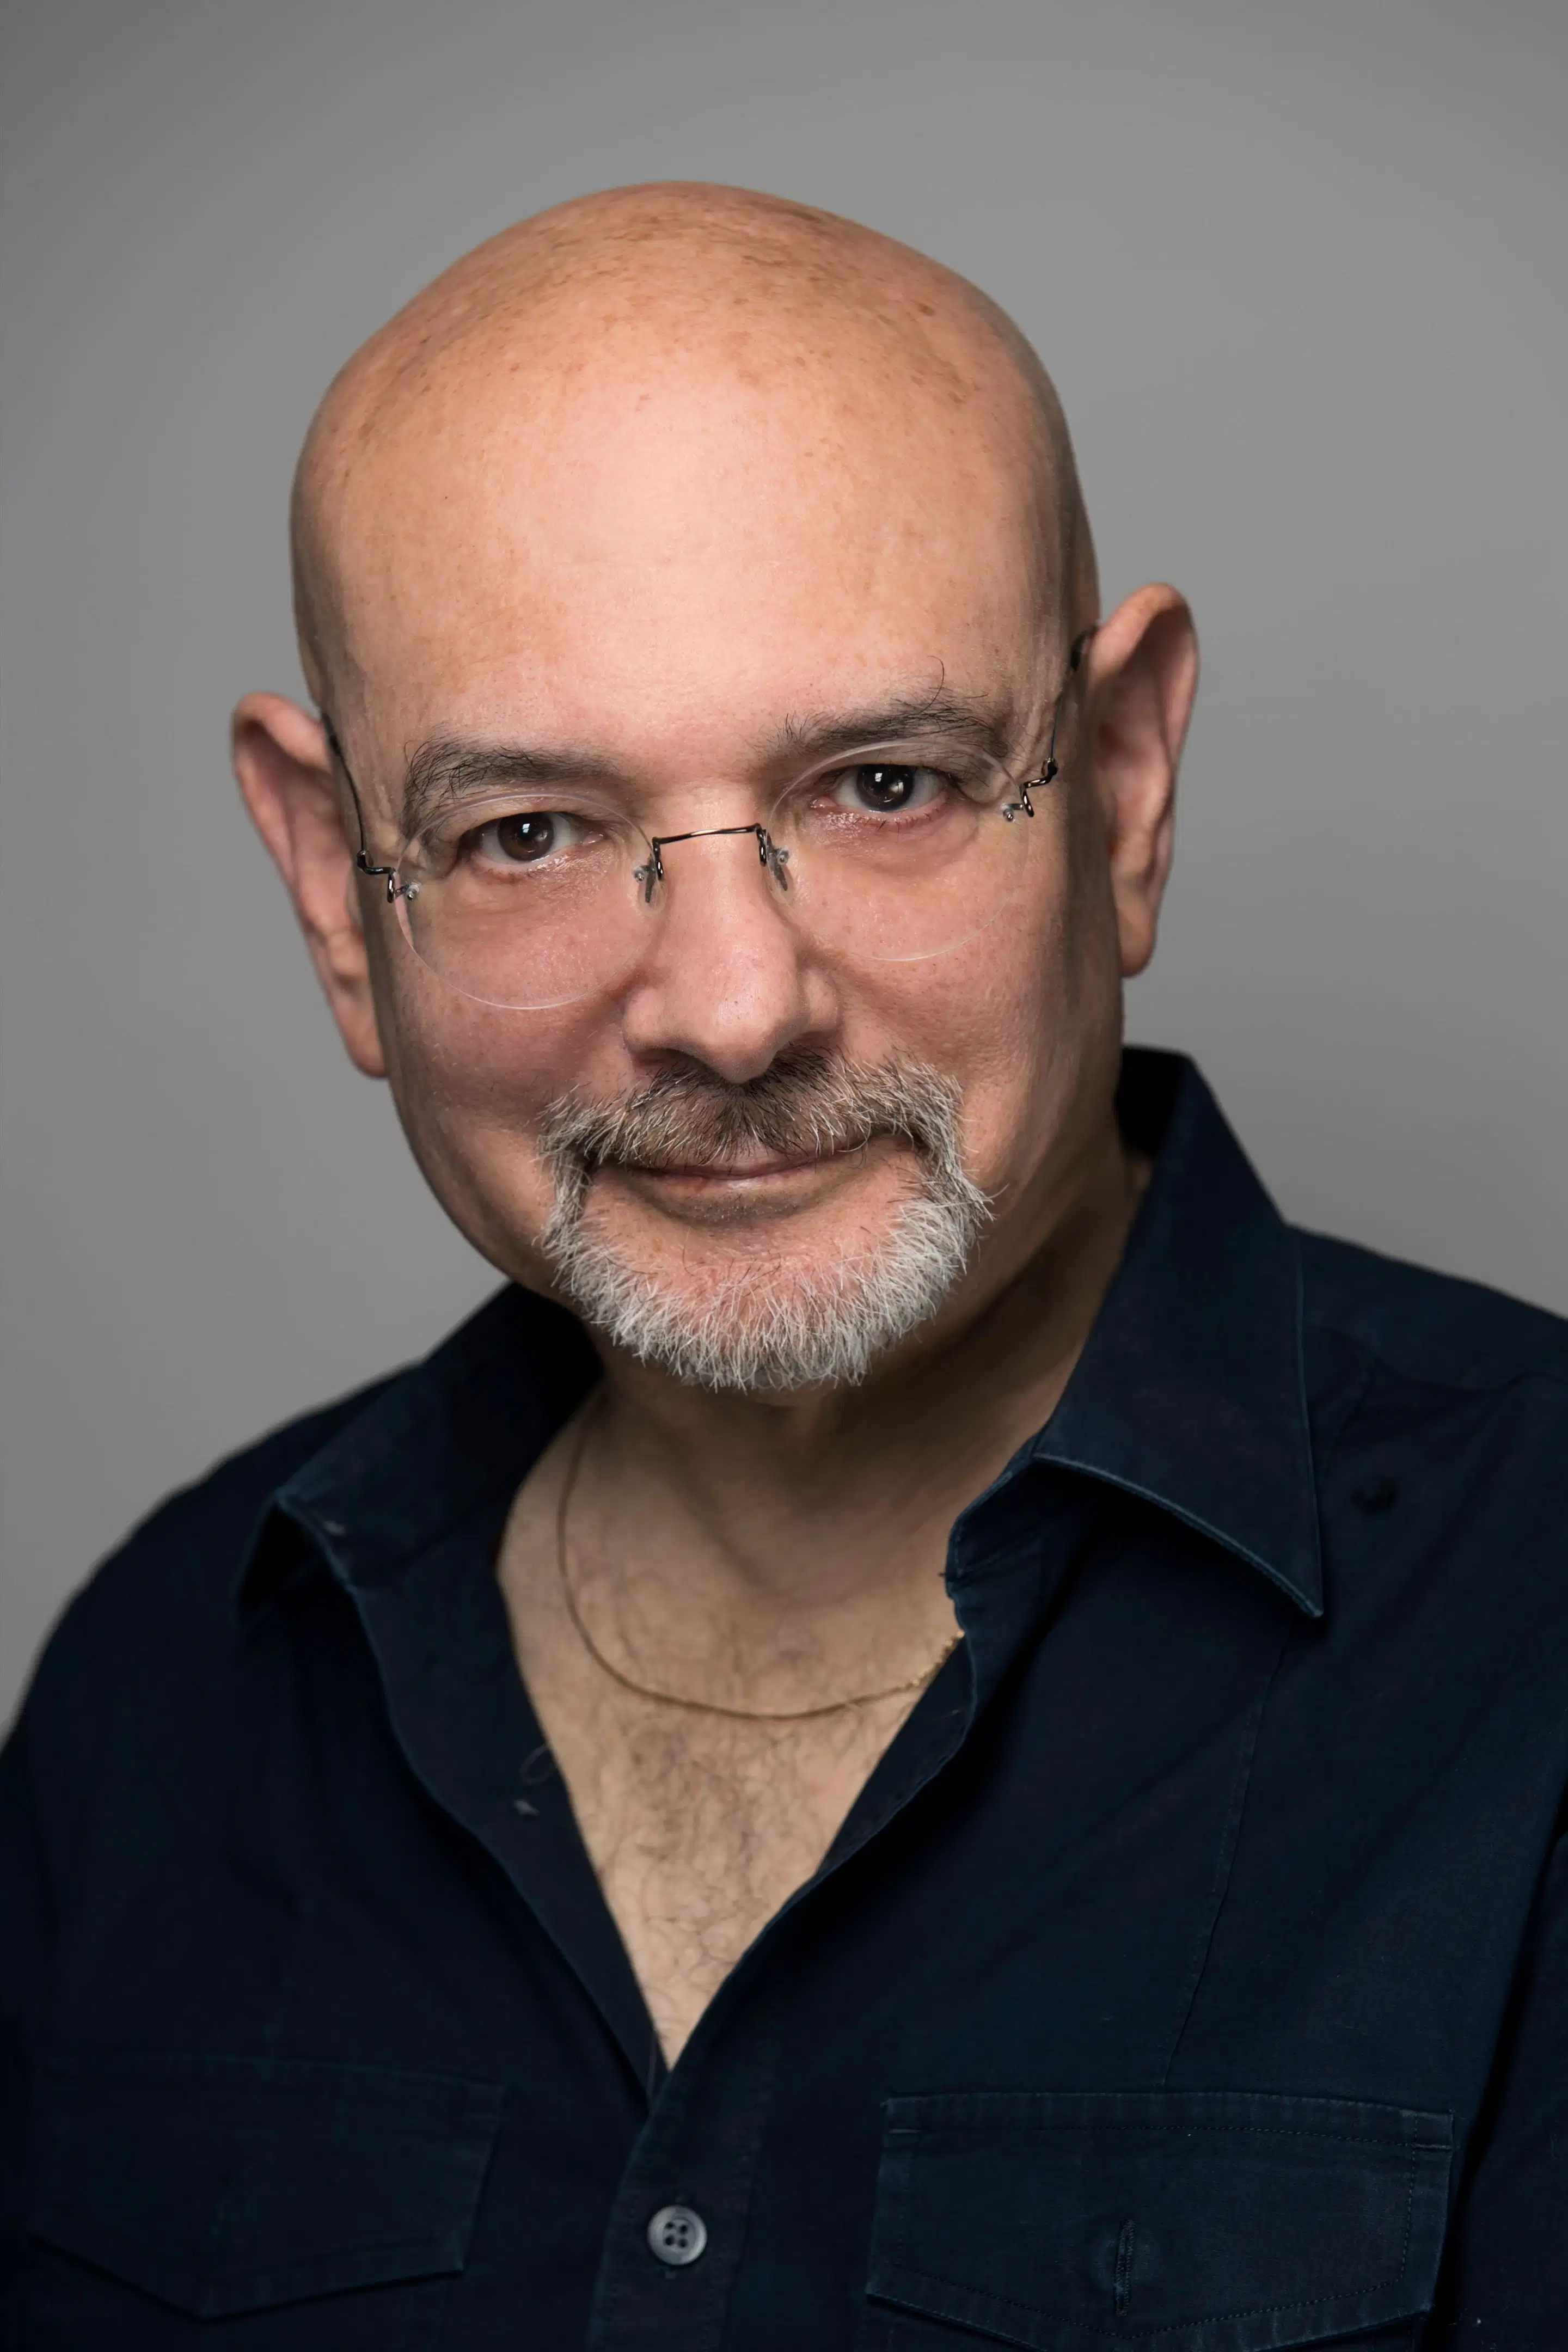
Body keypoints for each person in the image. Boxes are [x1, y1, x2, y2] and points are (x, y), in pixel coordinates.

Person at [3, 181, 1565, 2352]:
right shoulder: (160, 1686)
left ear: (1124, 788)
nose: (734, 1014)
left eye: (885, 784)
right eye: (528, 832)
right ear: (339, 896)